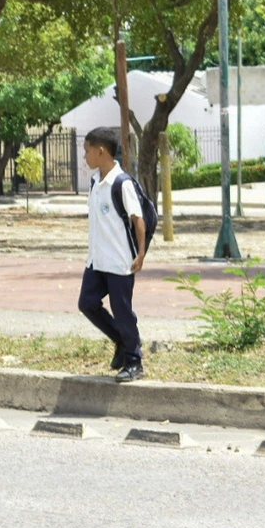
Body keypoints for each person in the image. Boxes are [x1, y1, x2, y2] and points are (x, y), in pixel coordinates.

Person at [79, 126, 146, 383]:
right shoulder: (96, 181)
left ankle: (134, 360)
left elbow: (138, 220)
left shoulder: (122, 183)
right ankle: (121, 338)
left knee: (122, 311)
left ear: (101, 151)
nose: (85, 157)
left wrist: (140, 254)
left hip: (119, 261)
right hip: (97, 260)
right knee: (86, 303)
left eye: (87, 151)